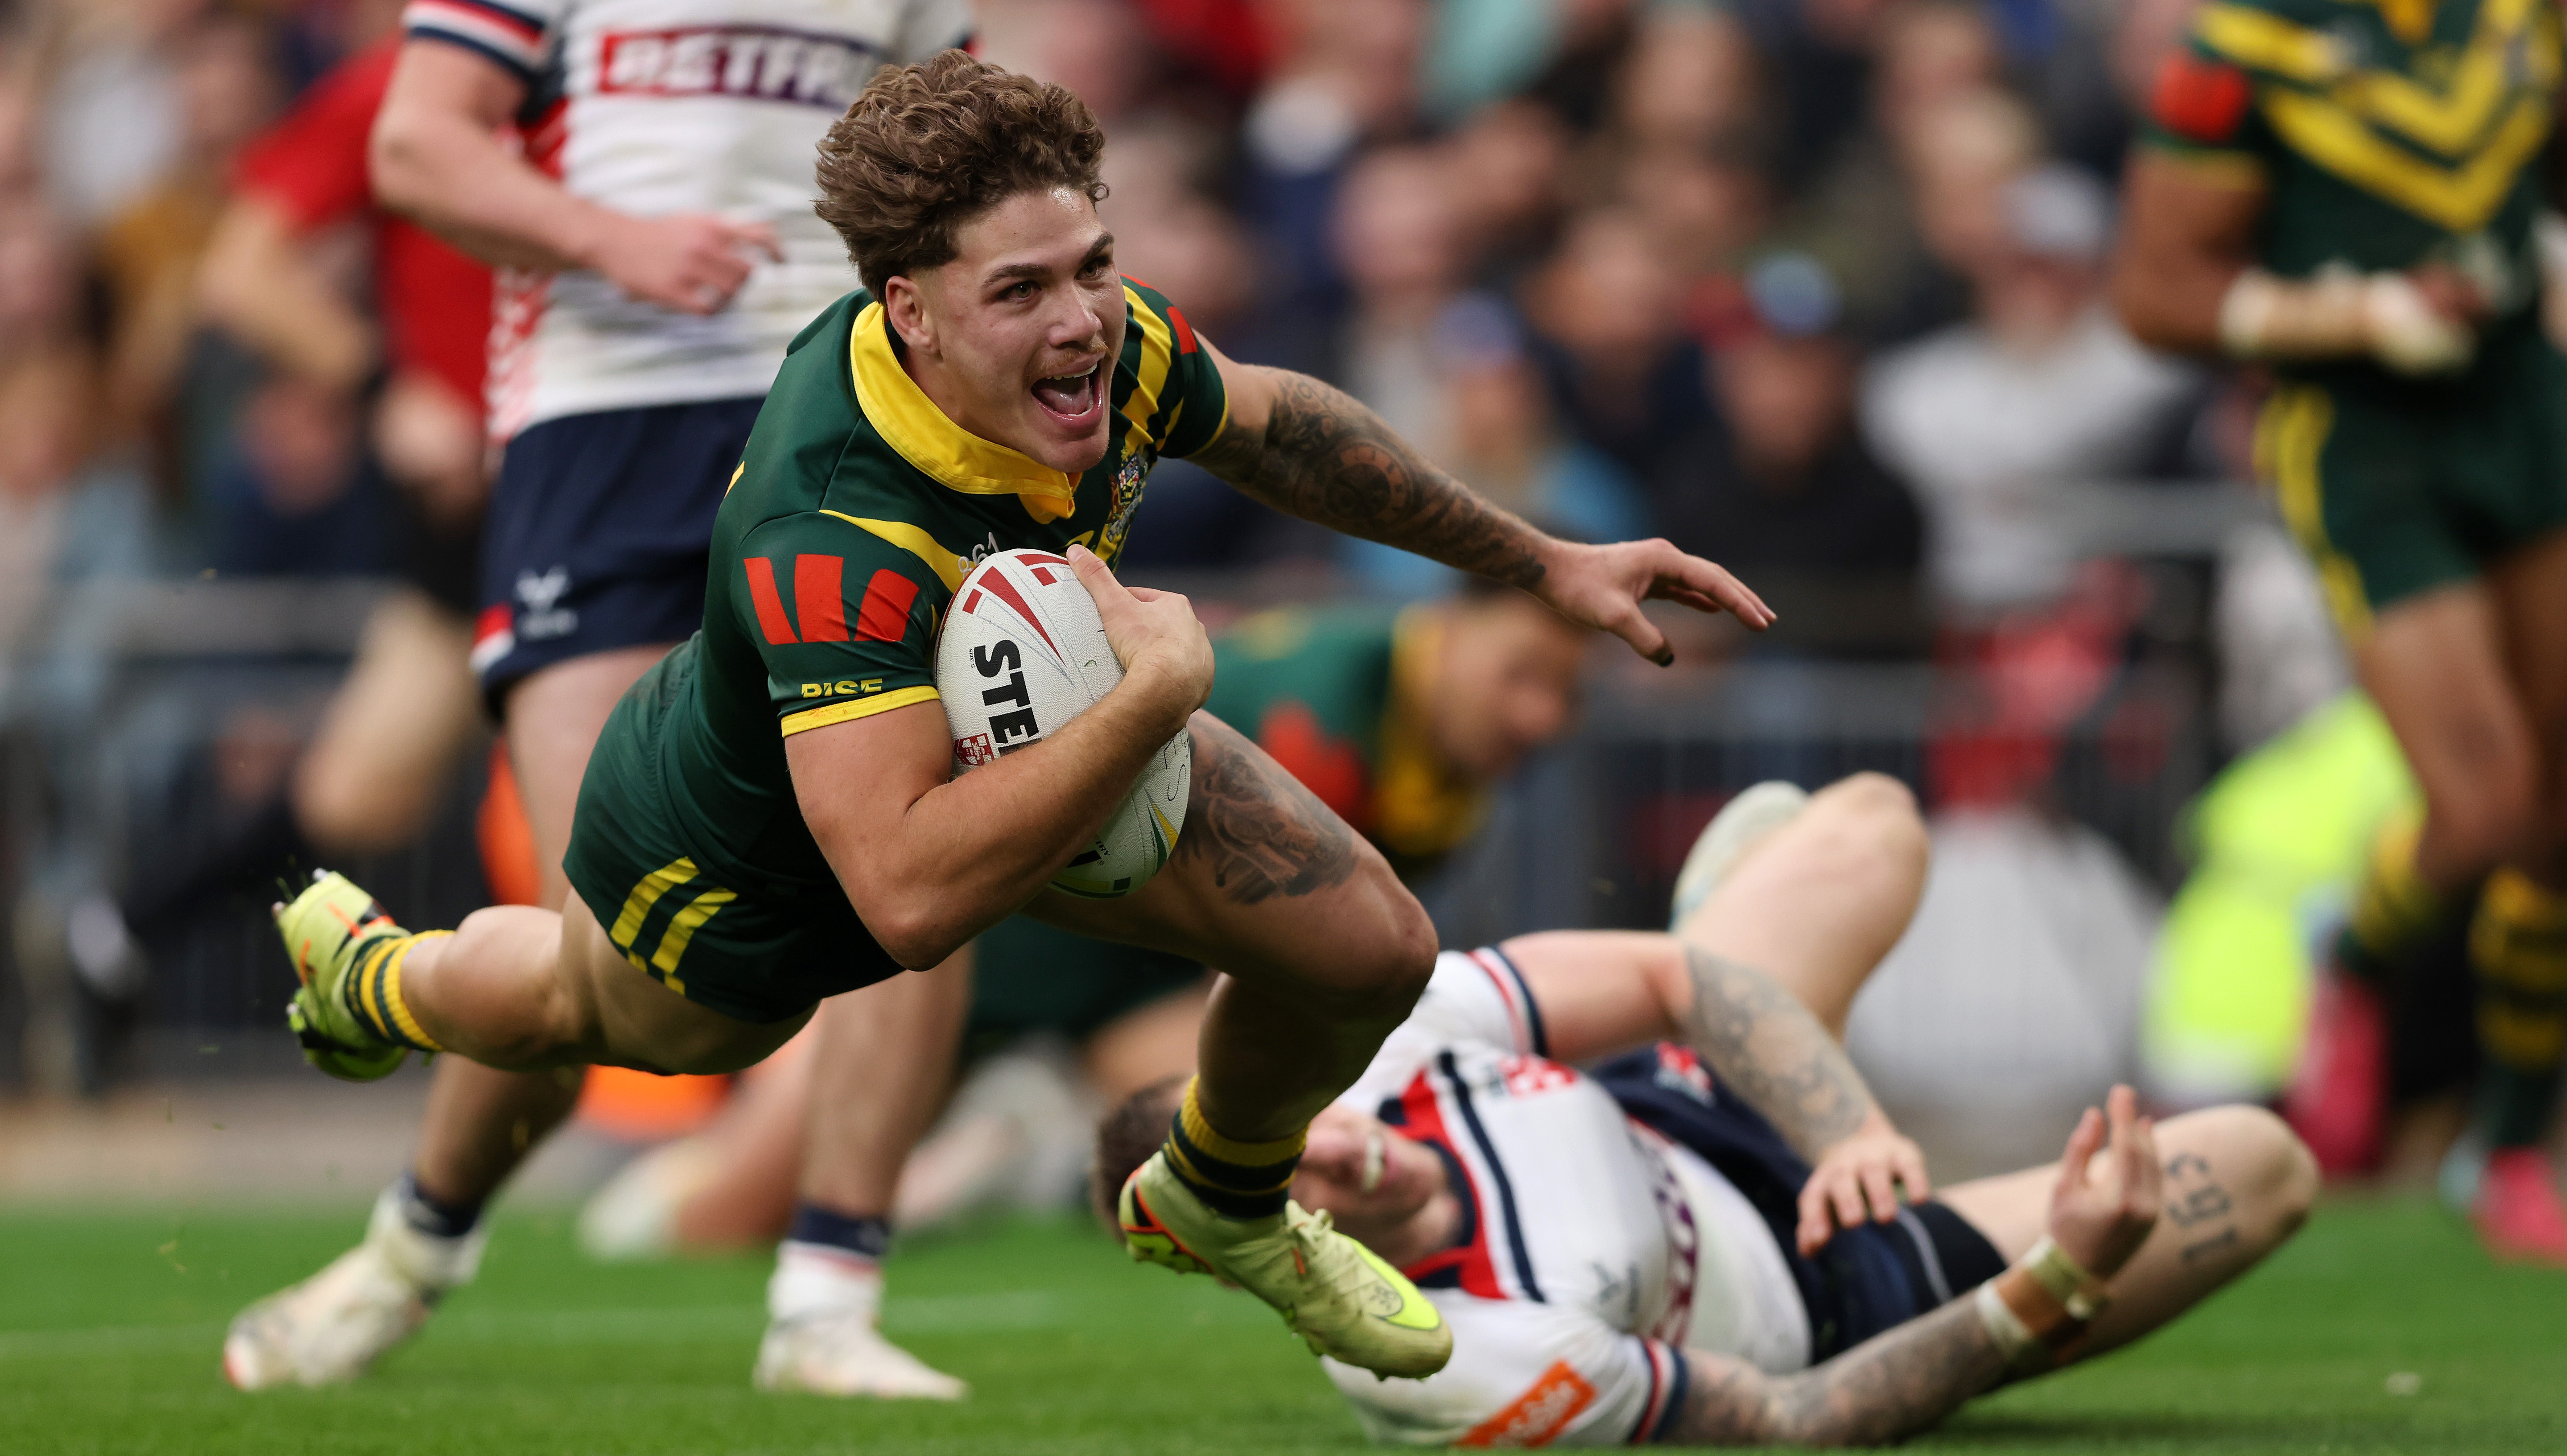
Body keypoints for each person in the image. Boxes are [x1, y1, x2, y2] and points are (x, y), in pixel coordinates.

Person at [247, 49, 1772, 1395]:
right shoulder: (833, 527)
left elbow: (1277, 428)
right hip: (746, 855)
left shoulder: (1092, 343)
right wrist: (1160, 692)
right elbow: (905, 898)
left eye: (1095, 265)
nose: (1085, 322)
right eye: (1024, 291)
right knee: (596, 1009)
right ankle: (385, 971)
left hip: (1021, 739)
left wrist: (1544, 557)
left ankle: (1224, 1193)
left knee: (1369, 946)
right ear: (907, 309)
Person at [219, 0, 986, 1398]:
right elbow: (417, 147)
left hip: (839, 426)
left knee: (918, 858)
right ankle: (412, 1242)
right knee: (619, 945)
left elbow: (970, 172)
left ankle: (828, 1298)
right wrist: (614, 242)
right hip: (603, 437)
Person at [1090, 778, 2320, 1445]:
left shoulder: (1386, 1045)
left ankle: (1743, 955)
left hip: (1677, 1109)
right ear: (1261, 1259)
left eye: (1298, 1128)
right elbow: (1797, 1421)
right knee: (2267, 1166)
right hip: (1839, 1301)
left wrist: (1844, 1128)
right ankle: (1760, 968)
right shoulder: (1450, 1371)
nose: (1341, 1154)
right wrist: (2057, 1283)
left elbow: (1665, 988)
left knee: (1870, 825)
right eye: (1286, 1187)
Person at [578, 579, 1594, 1253]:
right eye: (1522, 675)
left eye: (1563, 692)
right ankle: (691, 1202)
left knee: (1229, 1141)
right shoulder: (1330, 703)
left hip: (1130, 966)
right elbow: (1274, 926)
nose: (1539, 718)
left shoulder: (1431, 748)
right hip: (1001, 935)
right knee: (738, 1221)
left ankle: (1020, 1162)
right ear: (1452, 629)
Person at [2110, 0, 2567, 1264]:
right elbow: (2157, 292)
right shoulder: (2242, 52)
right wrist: (2355, 315)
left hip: (2530, 410)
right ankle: (2358, 964)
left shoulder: (2519, 22)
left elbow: (2561, 173)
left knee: (2565, 811)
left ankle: (2512, 1145)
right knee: (2484, 806)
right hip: (2367, 441)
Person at [118, 32, 493, 958]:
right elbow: (242, 273)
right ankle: (122, 934)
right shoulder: (401, 86)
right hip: (476, 504)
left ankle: (121, 933)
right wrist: (384, 390)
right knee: (362, 789)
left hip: (609, 474)